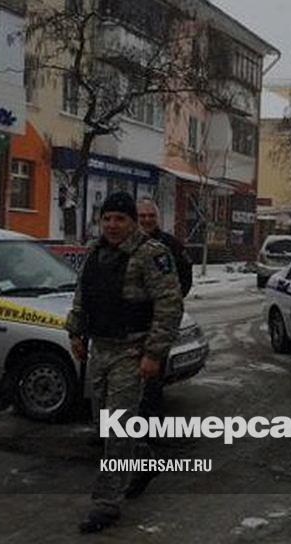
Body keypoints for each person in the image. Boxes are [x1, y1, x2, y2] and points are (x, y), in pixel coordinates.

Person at [66, 192, 183, 533]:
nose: (112, 225)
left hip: (131, 351)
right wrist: (76, 331)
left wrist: (154, 353)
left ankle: (107, 504)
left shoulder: (151, 254)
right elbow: (82, 294)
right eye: (107, 218)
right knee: (104, 425)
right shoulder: (95, 251)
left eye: (120, 219)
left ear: (132, 222)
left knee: (117, 427)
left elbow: (169, 305)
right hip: (100, 348)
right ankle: (144, 460)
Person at [136, 197, 193, 421]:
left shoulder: (171, 245)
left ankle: (151, 426)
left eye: (151, 216)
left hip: (158, 324)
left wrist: (169, 304)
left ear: (157, 218)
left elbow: (185, 278)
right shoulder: (126, 243)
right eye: (142, 216)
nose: (147, 220)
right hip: (131, 324)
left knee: (153, 379)